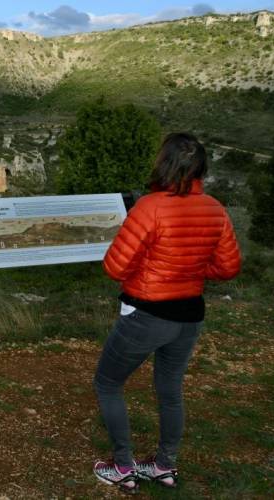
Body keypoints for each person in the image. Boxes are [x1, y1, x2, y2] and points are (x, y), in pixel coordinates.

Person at [92, 132, 242, 494]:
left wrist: (158, 268)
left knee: (108, 383)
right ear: (199, 169)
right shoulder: (215, 209)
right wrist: (187, 269)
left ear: (163, 163)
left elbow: (115, 267)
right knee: (170, 390)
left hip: (147, 314)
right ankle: (163, 465)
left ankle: (123, 466)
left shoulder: (150, 207)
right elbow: (228, 267)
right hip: (189, 316)